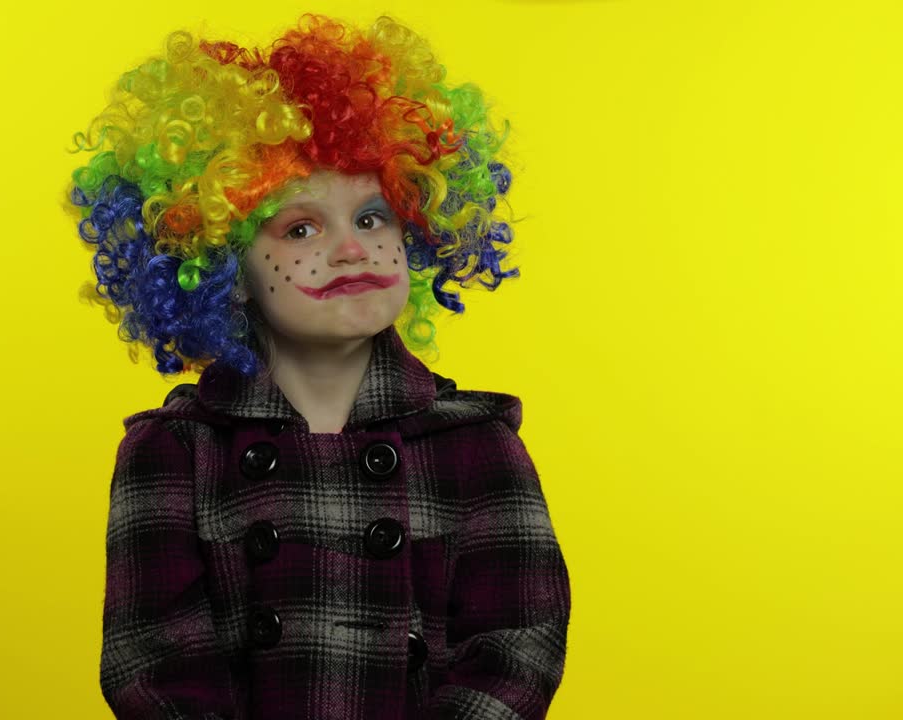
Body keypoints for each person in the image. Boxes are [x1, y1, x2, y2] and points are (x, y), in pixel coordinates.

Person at [67, 13, 571, 719]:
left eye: (372, 218)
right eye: (301, 228)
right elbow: (151, 665)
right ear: (221, 267)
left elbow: (519, 648)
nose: (351, 249)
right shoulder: (174, 452)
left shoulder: (476, 444)